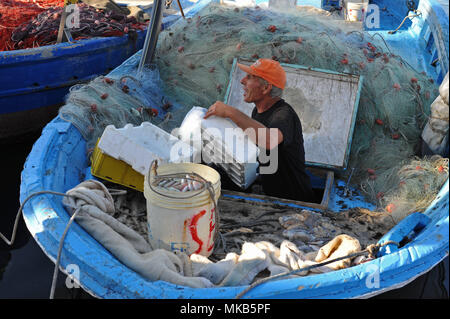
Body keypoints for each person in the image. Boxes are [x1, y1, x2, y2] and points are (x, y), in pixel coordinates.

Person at [204, 58, 314, 201]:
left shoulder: (284, 115)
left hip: (295, 201)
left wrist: (231, 112)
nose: (243, 81)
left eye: (249, 77)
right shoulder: (257, 112)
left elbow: (270, 140)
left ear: (266, 88)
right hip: (272, 197)